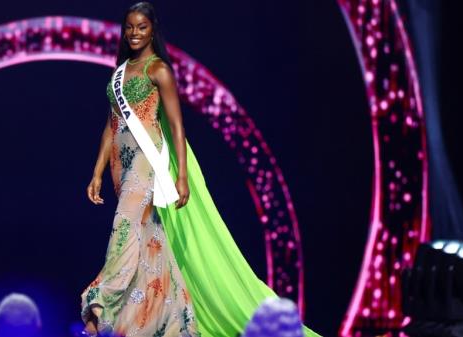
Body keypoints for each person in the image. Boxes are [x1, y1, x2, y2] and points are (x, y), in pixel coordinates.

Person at [80, 2, 321, 337]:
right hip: (121, 165)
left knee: (126, 226)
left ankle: (99, 303)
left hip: (148, 161)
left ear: (152, 30)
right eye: (130, 27)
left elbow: (177, 127)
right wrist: (97, 172)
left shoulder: (158, 69)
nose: (134, 33)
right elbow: (111, 125)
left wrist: (181, 176)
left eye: (142, 27)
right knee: (150, 240)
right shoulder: (119, 72)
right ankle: (169, 321)